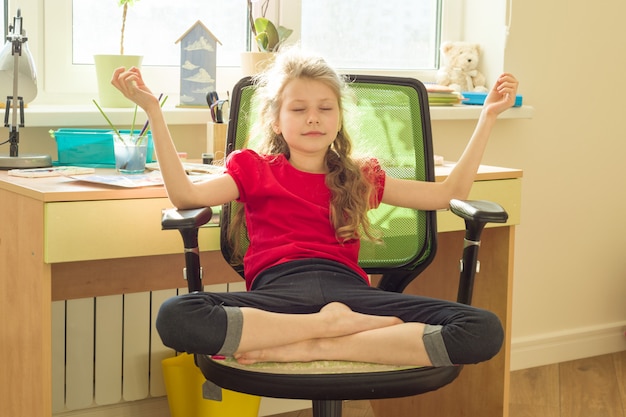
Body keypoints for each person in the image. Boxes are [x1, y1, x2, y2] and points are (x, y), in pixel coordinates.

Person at [111, 48, 519, 367]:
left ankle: (311, 345)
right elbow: (186, 197)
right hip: (278, 295)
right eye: (299, 109)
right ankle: (326, 329)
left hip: (352, 296)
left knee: (481, 329)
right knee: (177, 317)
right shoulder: (253, 169)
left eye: (326, 108)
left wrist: (487, 117)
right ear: (276, 120)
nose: (313, 119)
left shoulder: (359, 176)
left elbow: (446, 193)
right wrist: (154, 112)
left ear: (339, 119)